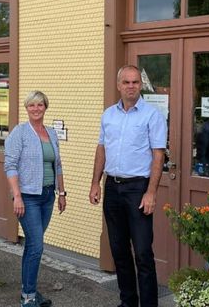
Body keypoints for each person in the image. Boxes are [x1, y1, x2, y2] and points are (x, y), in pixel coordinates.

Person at [89, 65, 167, 307]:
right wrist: (95, 183)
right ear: (118, 85)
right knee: (119, 252)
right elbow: (102, 149)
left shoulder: (152, 115)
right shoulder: (108, 115)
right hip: (112, 188)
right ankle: (128, 302)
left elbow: (158, 155)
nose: (131, 86)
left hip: (138, 190)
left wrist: (151, 192)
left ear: (140, 85)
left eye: (135, 82)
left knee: (143, 253)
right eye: (126, 82)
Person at [4, 91, 66, 307]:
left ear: (45, 107)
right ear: (26, 108)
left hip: (48, 195)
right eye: (32, 105)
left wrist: (62, 192)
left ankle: (29, 291)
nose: (36, 108)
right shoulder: (19, 133)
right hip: (28, 197)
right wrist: (17, 197)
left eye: (40, 105)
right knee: (37, 246)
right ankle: (28, 297)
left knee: (32, 245)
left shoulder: (50, 133)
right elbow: (10, 165)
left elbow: (57, 164)